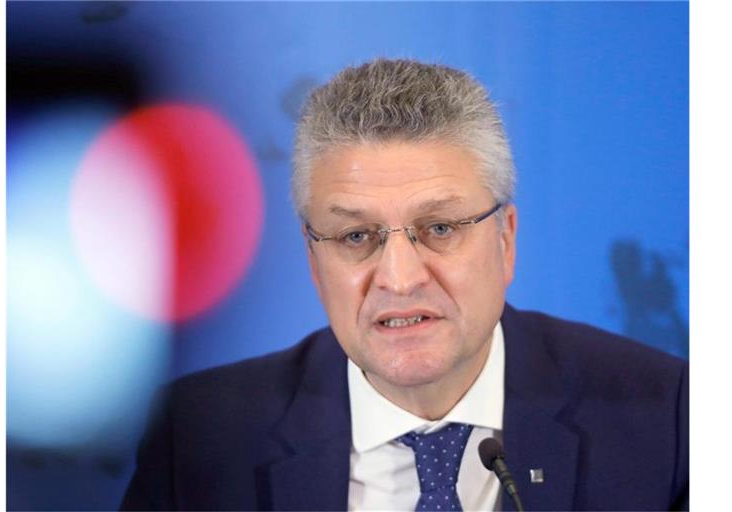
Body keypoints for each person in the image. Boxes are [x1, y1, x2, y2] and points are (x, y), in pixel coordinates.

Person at [121, 59, 688, 511]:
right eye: (355, 236)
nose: (399, 277)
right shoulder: (199, 433)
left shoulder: (667, 419)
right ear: (314, 263)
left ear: (506, 241)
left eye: (439, 228)